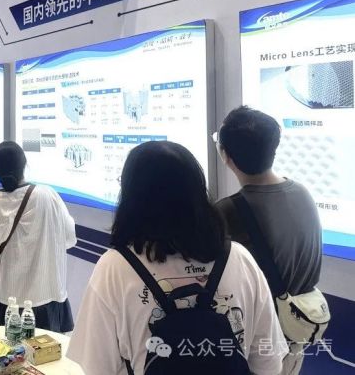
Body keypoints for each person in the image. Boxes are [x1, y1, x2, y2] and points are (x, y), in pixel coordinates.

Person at [67, 141, 287, 375]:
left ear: (132, 198)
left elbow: (97, 367)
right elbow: (269, 364)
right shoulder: (239, 258)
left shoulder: (115, 267)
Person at [215, 106, 326, 375]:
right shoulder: (303, 193)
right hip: (296, 331)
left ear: (225, 155)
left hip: (256, 345)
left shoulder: (226, 212)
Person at [0, 141, 77, 332]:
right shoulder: (48, 195)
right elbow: (69, 237)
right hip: (46, 296)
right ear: (24, 164)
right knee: (46, 350)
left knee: (4, 349)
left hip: (5, 298)